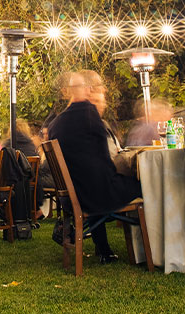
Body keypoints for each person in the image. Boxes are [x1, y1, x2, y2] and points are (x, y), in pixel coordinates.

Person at [47, 70, 141, 264]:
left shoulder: (57, 123)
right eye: (98, 88)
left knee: (99, 180)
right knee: (146, 183)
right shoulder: (89, 115)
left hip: (74, 196)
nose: (101, 93)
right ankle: (152, 251)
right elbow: (106, 163)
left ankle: (104, 248)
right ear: (89, 90)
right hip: (96, 197)